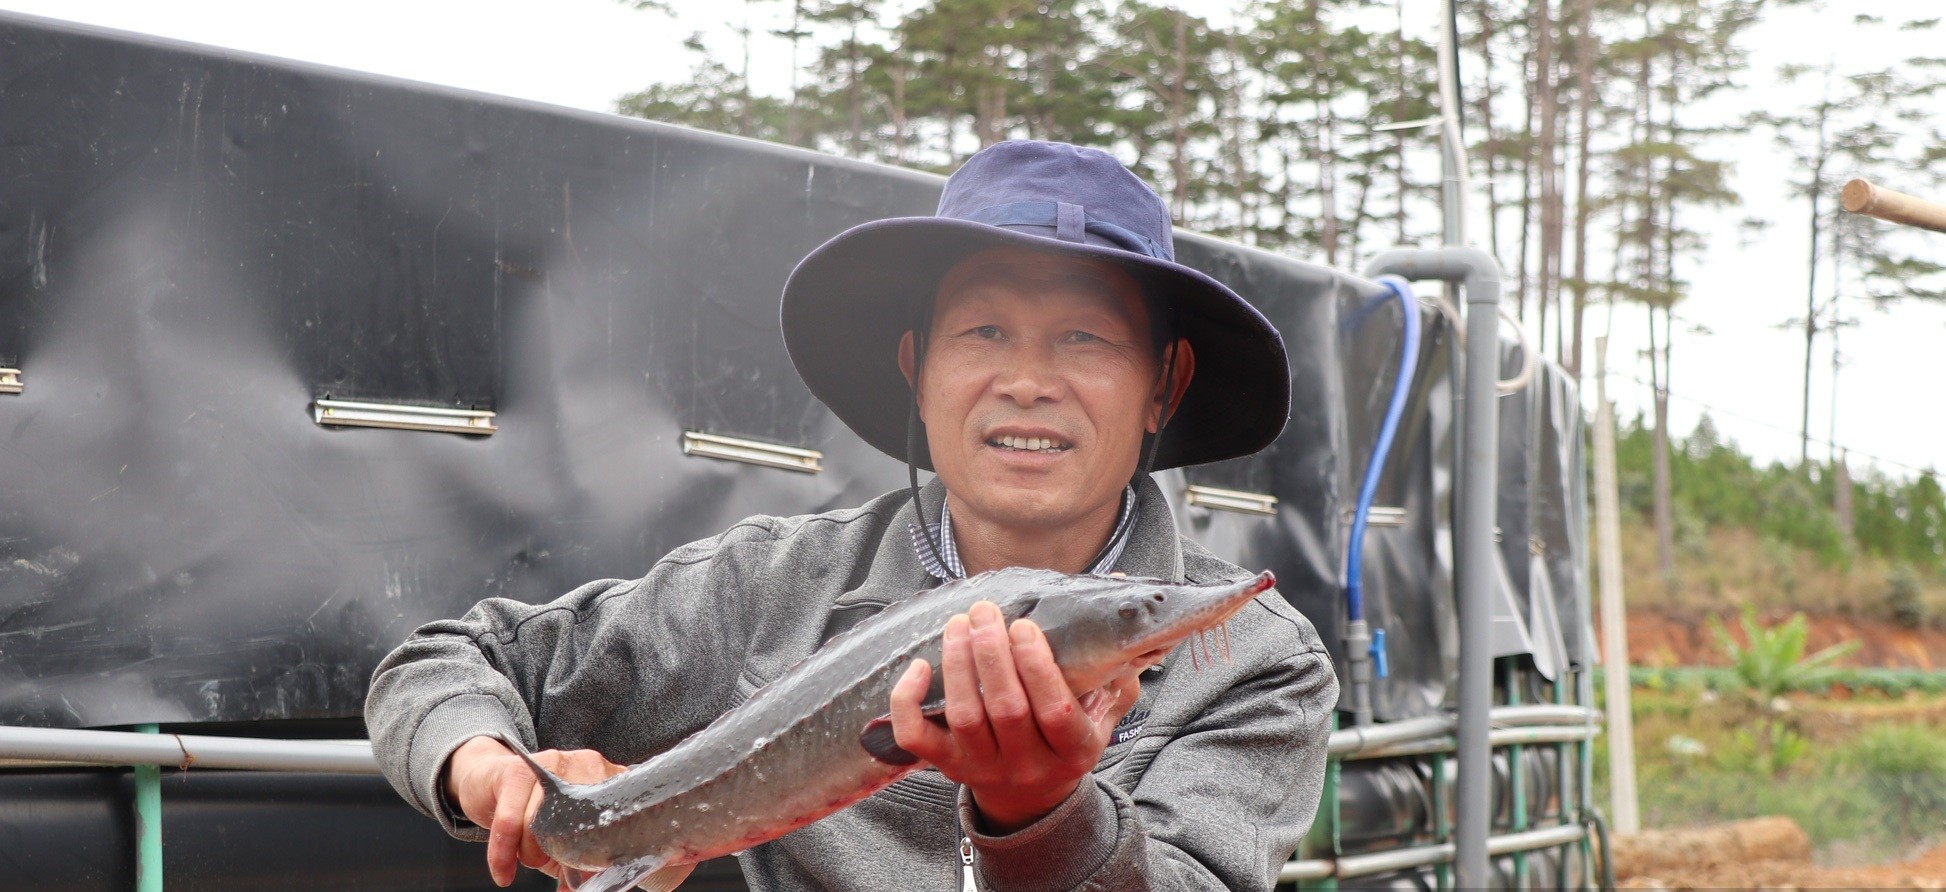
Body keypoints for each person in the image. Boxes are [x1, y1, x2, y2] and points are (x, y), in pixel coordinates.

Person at [366, 140, 1337, 891]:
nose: (1028, 382)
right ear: (917, 370)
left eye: (1083, 336)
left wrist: (1040, 812)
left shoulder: (1254, 657)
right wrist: (486, 770)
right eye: (985, 330)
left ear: (1162, 384)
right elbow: (444, 662)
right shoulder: (771, 584)